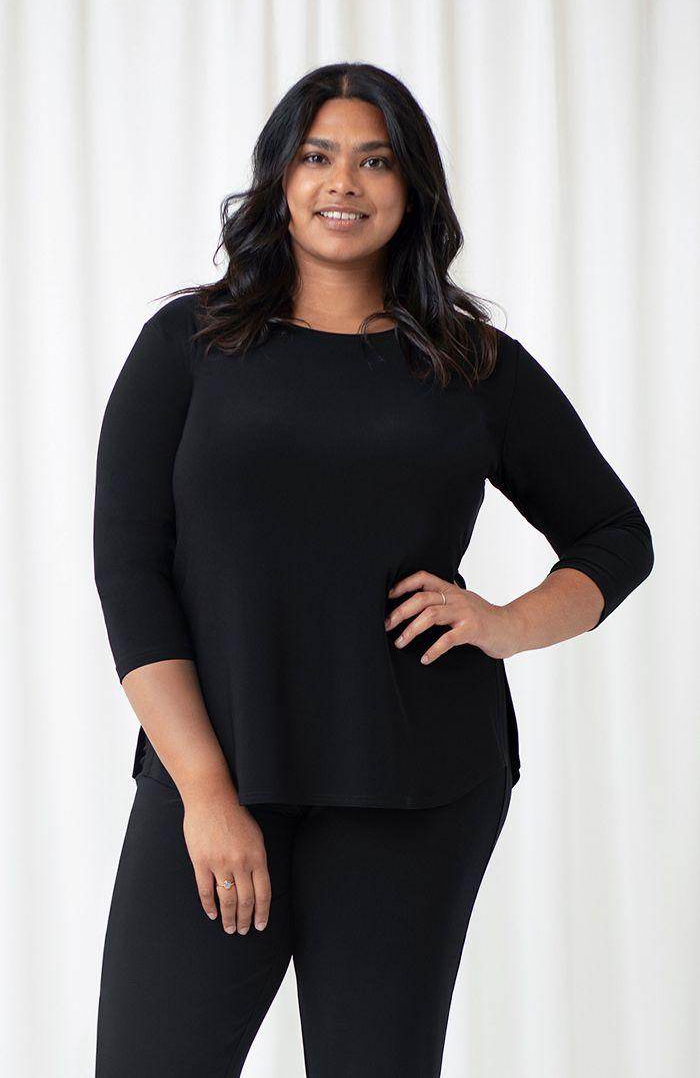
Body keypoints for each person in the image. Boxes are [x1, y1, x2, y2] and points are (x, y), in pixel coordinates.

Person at [92, 63, 654, 1078]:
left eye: (375, 160)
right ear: (281, 178)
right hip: (218, 768)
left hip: (415, 782)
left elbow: (616, 535)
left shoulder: (470, 364)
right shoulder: (187, 345)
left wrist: (504, 620)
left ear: (411, 188)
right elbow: (130, 573)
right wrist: (205, 793)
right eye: (317, 155)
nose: (342, 181)